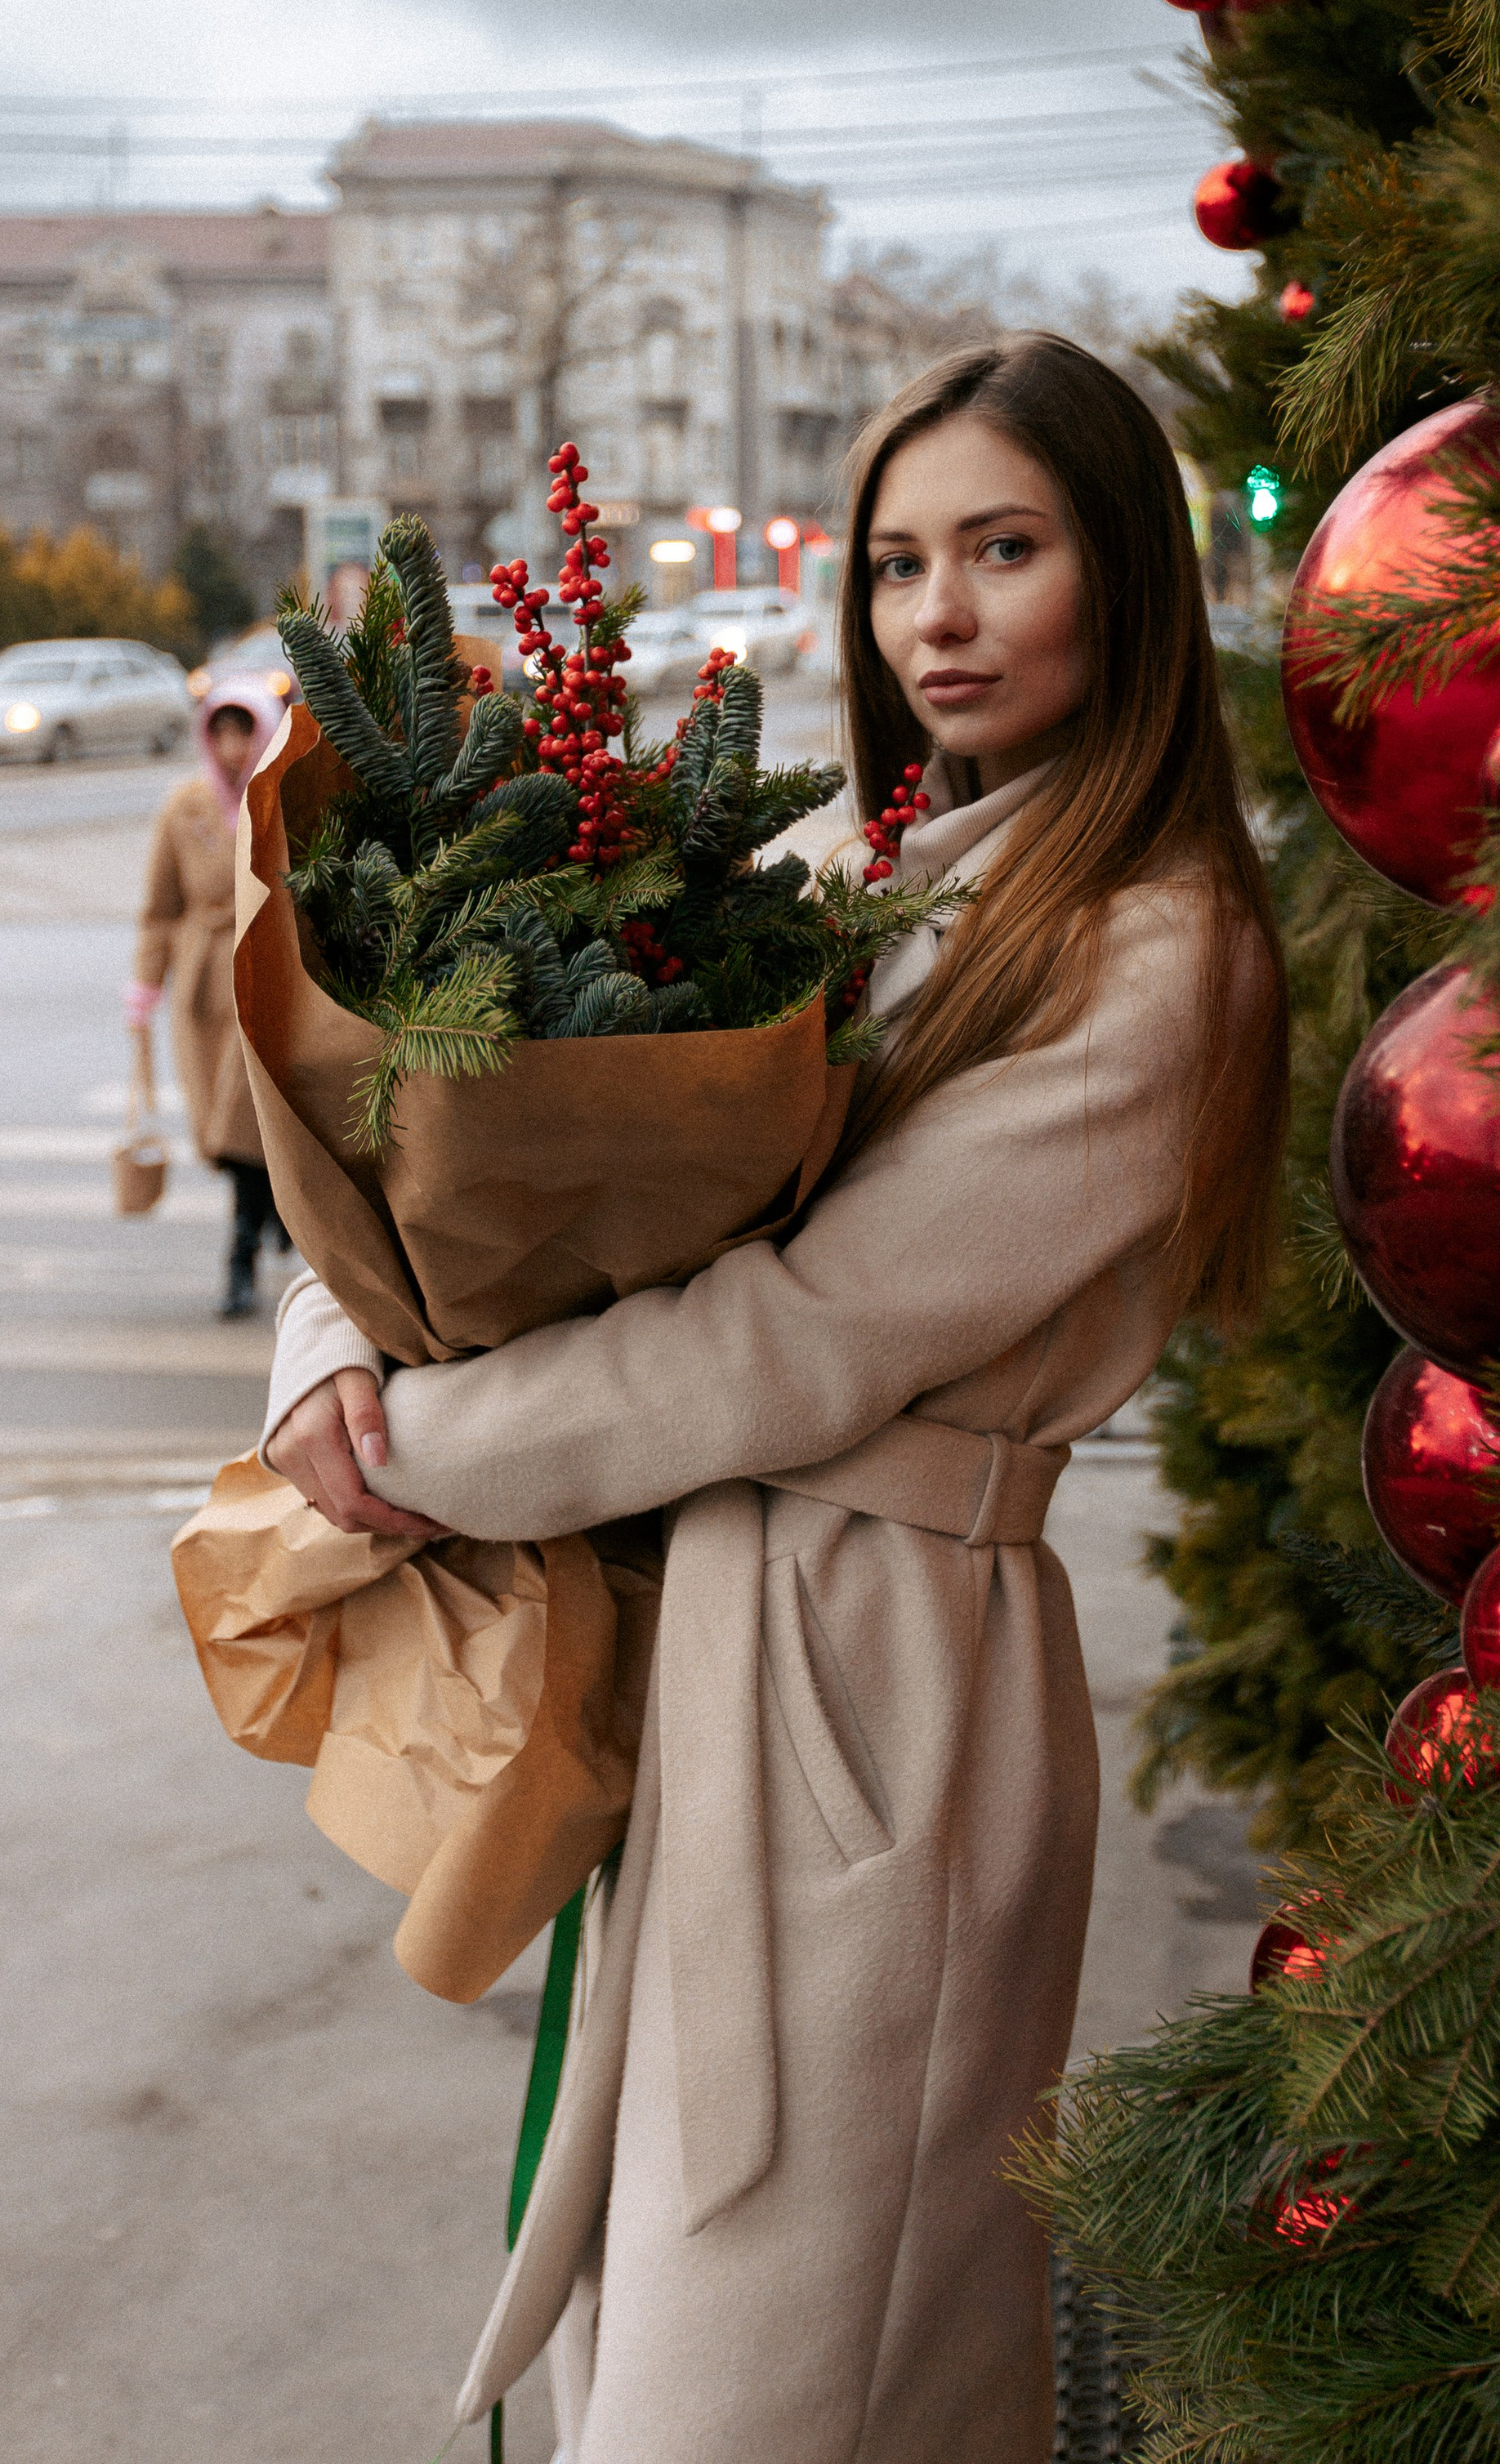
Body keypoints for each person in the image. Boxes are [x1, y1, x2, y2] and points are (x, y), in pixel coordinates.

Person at [261, 337, 1291, 2464]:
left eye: (1005, 548)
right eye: (902, 558)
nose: (940, 610)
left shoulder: (1157, 950)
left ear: (1129, 579)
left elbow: (797, 1335)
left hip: (878, 1679)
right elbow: (534, 1176)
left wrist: (419, 1455)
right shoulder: (863, 876)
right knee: (675, 2321)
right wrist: (335, 1347)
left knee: (800, 2378)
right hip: (705, 1625)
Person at [126, 681, 291, 1319]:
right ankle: (270, 1207)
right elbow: (160, 908)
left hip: (266, 977)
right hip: (201, 989)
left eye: (244, 731)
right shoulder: (184, 805)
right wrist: (146, 983)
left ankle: (240, 1256)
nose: (231, 748)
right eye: (220, 732)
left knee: (246, 1125)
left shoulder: (282, 796)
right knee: (220, 1134)